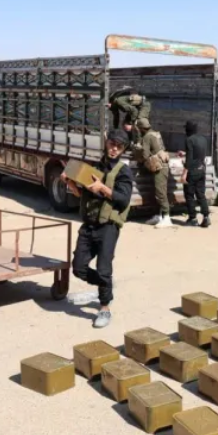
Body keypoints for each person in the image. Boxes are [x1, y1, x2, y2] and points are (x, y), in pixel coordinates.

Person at [61, 129, 133, 328]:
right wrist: (69, 181)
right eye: (112, 144)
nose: (114, 149)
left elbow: (123, 199)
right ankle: (104, 285)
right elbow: (80, 193)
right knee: (78, 268)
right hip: (89, 224)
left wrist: (102, 188)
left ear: (123, 149)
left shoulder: (123, 171)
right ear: (106, 143)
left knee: (103, 268)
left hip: (108, 226)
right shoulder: (93, 166)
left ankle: (104, 307)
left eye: (119, 146)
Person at [139, 118, 173, 228]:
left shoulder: (146, 137)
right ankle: (159, 216)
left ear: (141, 128)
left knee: (160, 192)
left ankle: (167, 218)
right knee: (159, 191)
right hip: (164, 164)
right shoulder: (156, 134)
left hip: (159, 166)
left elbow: (145, 155)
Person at [179, 121, 211, 228]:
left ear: (188, 130)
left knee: (189, 195)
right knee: (201, 194)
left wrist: (184, 174)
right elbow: (198, 154)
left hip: (192, 172)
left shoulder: (189, 140)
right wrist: (185, 153)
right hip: (202, 170)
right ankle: (206, 217)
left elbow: (189, 160)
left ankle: (192, 219)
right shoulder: (203, 139)